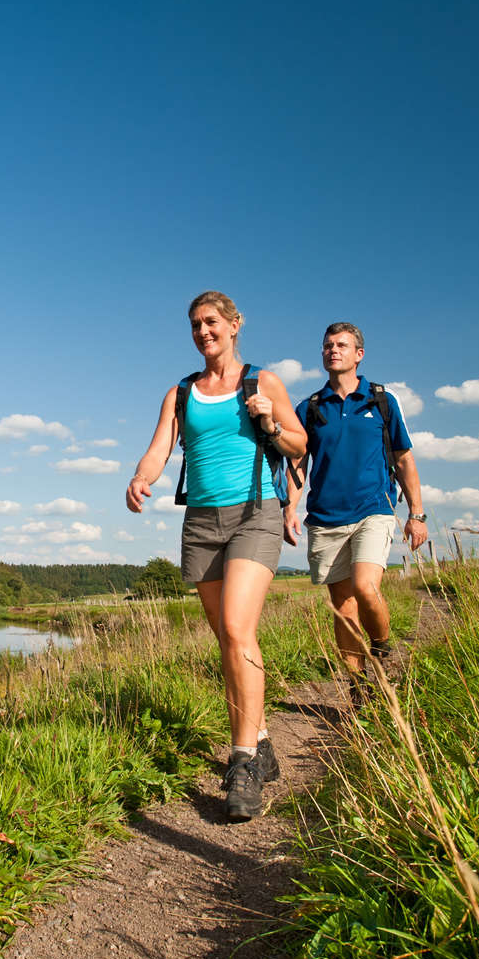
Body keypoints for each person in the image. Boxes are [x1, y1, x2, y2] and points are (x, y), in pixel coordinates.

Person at [126, 291, 306, 822]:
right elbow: (161, 445)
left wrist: (271, 419)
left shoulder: (262, 381)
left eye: (212, 323)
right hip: (201, 522)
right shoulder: (181, 392)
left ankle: (243, 762)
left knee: (236, 627)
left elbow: (298, 446)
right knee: (224, 636)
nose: (204, 332)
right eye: (195, 325)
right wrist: (141, 477)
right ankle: (263, 738)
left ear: (234, 325)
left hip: (256, 512)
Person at [283, 321, 427, 706]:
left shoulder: (381, 400)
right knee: (343, 608)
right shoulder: (310, 408)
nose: (333, 351)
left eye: (342, 345)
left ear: (358, 354)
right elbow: (298, 463)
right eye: (328, 345)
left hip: (373, 509)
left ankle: (382, 648)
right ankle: (359, 688)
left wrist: (417, 513)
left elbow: (404, 457)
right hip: (326, 517)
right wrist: (290, 507)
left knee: (366, 588)